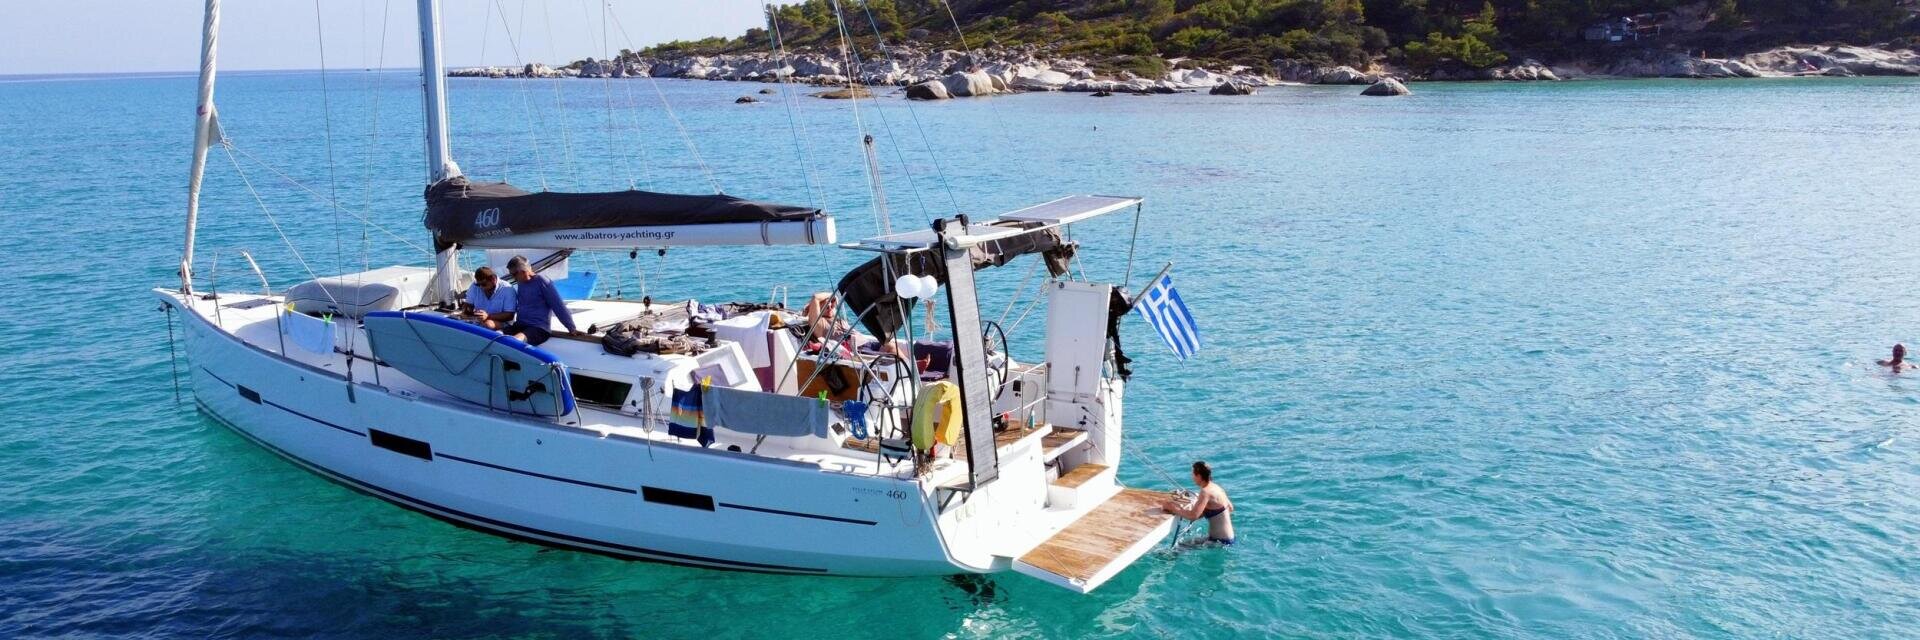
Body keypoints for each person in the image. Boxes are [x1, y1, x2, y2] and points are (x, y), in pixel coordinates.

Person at [498, 255, 580, 346]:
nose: (513, 278)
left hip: (539, 329)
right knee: (495, 335)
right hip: (520, 325)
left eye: (514, 274)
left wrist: (571, 328)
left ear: (523, 271)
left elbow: (558, 305)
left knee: (516, 340)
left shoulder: (542, 281)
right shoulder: (521, 282)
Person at [1161, 461, 1235, 545]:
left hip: (1220, 542)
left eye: (1193, 475)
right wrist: (1206, 511)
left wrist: (1172, 507)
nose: (1192, 477)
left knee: (1179, 548)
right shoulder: (1216, 487)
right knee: (1183, 545)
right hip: (1228, 538)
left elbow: (1193, 516)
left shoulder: (1205, 492)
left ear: (1199, 476)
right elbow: (1230, 508)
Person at [462, 266, 516, 330]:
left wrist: (488, 316)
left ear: (493, 279)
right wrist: (467, 310)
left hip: (502, 323)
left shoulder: (508, 289)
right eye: (479, 285)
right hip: (479, 320)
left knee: (488, 324)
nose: (481, 287)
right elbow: (468, 305)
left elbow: (509, 315)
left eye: (484, 284)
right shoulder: (475, 286)